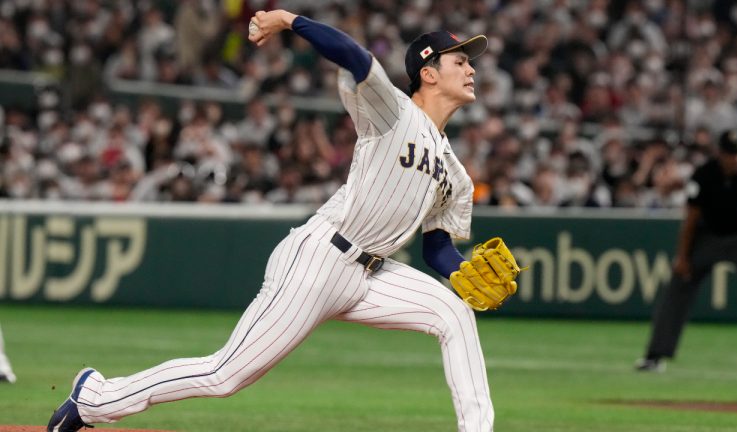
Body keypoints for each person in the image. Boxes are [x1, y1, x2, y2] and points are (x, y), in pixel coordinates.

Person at [48, 9, 505, 432]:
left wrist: (459, 271)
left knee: (453, 311)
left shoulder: (455, 172)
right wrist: (288, 19)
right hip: (320, 258)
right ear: (428, 73)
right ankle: (95, 397)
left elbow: (436, 246)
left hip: (373, 274)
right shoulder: (394, 113)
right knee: (224, 374)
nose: (471, 70)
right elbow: (355, 56)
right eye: (460, 61)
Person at [636, 130, 737, 372]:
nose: (735, 160)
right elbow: (691, 219)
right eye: (730, 154)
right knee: (678, 286)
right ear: (720, 154)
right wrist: (683, 257)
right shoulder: (704, 174)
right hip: (707, 237)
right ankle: (655, 355)